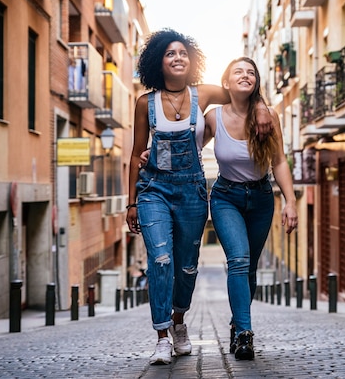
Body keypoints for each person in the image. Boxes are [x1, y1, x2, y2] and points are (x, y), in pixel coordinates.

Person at [126, 29, 272, 365]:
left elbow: (243, 91)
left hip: (192, 191)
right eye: (169, 54)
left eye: (183, 53)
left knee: (187, 267)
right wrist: (131, 201)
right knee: (161, 259)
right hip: (154, 191)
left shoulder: (202, 94)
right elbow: (135, 154)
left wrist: (262, 107)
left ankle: (179, 322)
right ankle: (162, 336)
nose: (177, 58)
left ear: (191, 61)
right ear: (157, 61)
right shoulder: (143, 104)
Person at [205, 57, 298, 360]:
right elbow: (188, 147)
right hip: (225, 198)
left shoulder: (268, 116)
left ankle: (236, 323)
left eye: (251, 72)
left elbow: (279, 161)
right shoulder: (213, 117)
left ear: (256, 82)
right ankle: (245, 334)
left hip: (260, 199)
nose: (245, 76)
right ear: (226, 83)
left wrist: (290, 201)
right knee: (239, 260)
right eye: (238, 72)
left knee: (251, 269)